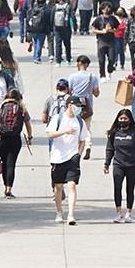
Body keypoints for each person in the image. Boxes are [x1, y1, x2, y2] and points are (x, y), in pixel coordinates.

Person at [46, 96, 89, 225]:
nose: (78, 109)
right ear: (70, 105)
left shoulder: (80, 122)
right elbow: (49, 134)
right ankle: (59, 212)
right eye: (77, 106)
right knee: (58, 187)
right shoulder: (58, 118)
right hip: (58, 157)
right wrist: (64, 131)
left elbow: (82, 140)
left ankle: (71, 214)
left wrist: (79, 154)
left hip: (72, 158)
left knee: (72, 185)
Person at [104, 109, 135, 223]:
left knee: (130, 188)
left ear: (130, 119)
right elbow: (110, 149)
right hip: (118, 164)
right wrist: (107, 164)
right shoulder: (114, 132)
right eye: (121, 118)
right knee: (117, 187)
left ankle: (128, 213)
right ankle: (118, 213)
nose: (123, 120)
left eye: (125, 118)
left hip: (133, 165)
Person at [0, 89, 33, 199]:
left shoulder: (2, 106)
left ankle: (5, 186)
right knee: (11, 164)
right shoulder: (21, 107)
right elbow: (28, 124)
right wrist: (29, 137)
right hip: (15, 139)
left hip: (2, 138)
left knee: (4, 163)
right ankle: (9, 189)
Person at [67, 55, 100, 160]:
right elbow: (96, 93)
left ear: (79, 64)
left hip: (74, 105)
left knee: (75, 127)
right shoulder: (93, 77)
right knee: (87, 128)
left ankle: (76, 149)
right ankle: (88, 146)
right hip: (87, 106)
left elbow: (69, 91)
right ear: (87, 65)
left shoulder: (72, 77)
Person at [91, 2, 119, 83]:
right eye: (105, 8)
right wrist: (102, 31)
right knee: (101, 60)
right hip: (101, 41)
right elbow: (93, 29)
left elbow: (117, 29)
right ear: (102, 10)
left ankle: (110, 70)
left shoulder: (113, 19)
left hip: (111, 41)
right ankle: (102, 75)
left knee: (111, 58)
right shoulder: (98, 19)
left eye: (108, 8)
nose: (107, 10)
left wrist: (111, 30)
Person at [51, 0, 73, 67]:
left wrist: (52, 28)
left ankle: (58, 61)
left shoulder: (55, 7)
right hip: (66, 28)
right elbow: (71, 17)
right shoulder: (68, 7)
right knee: (67, 44)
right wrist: (74, 27)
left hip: (57, 28)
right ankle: (68, 59)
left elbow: (51, 18)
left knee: (58, 44)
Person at [26, 0, 48, 64]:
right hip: (41, 29)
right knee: (39, 44)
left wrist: (28, 30)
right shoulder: (44, 10)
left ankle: (35, 57)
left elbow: (28, 19)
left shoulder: (33, 10)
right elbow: (46, 21)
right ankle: (37, 58)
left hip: (33, 29)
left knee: (35, 43)